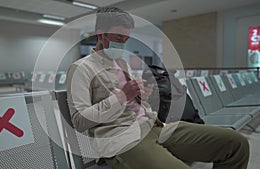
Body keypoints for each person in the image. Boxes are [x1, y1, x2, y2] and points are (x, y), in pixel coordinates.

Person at [66, 7, 249, 169]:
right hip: (123, 140)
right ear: (100, 34)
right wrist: (122, 96)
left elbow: (131, 103)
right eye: (118, 38)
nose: (122, 44)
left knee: (236, 144)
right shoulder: (81, 69)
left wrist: (141, 95)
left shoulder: (121, 63)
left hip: (155, 126)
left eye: (126, 39)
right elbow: (79, 121)